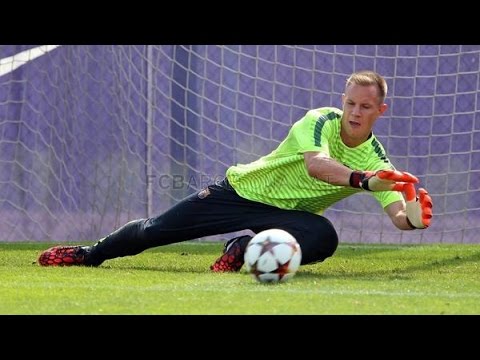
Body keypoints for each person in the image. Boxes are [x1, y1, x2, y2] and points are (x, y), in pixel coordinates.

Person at [38, 70, 433, 271]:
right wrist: (363, 181)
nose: (354, 113)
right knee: (155, 231)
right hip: (240, 191)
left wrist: (412, 214)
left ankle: (242, 250)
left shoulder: (378, 160)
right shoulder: (319, 120)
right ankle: (89, 255)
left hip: (285, 219)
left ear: (380, 111)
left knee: (324, 237)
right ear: (342, 102)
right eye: (350, 104)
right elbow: (317, 166)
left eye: (365, 107)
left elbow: (397, 214)